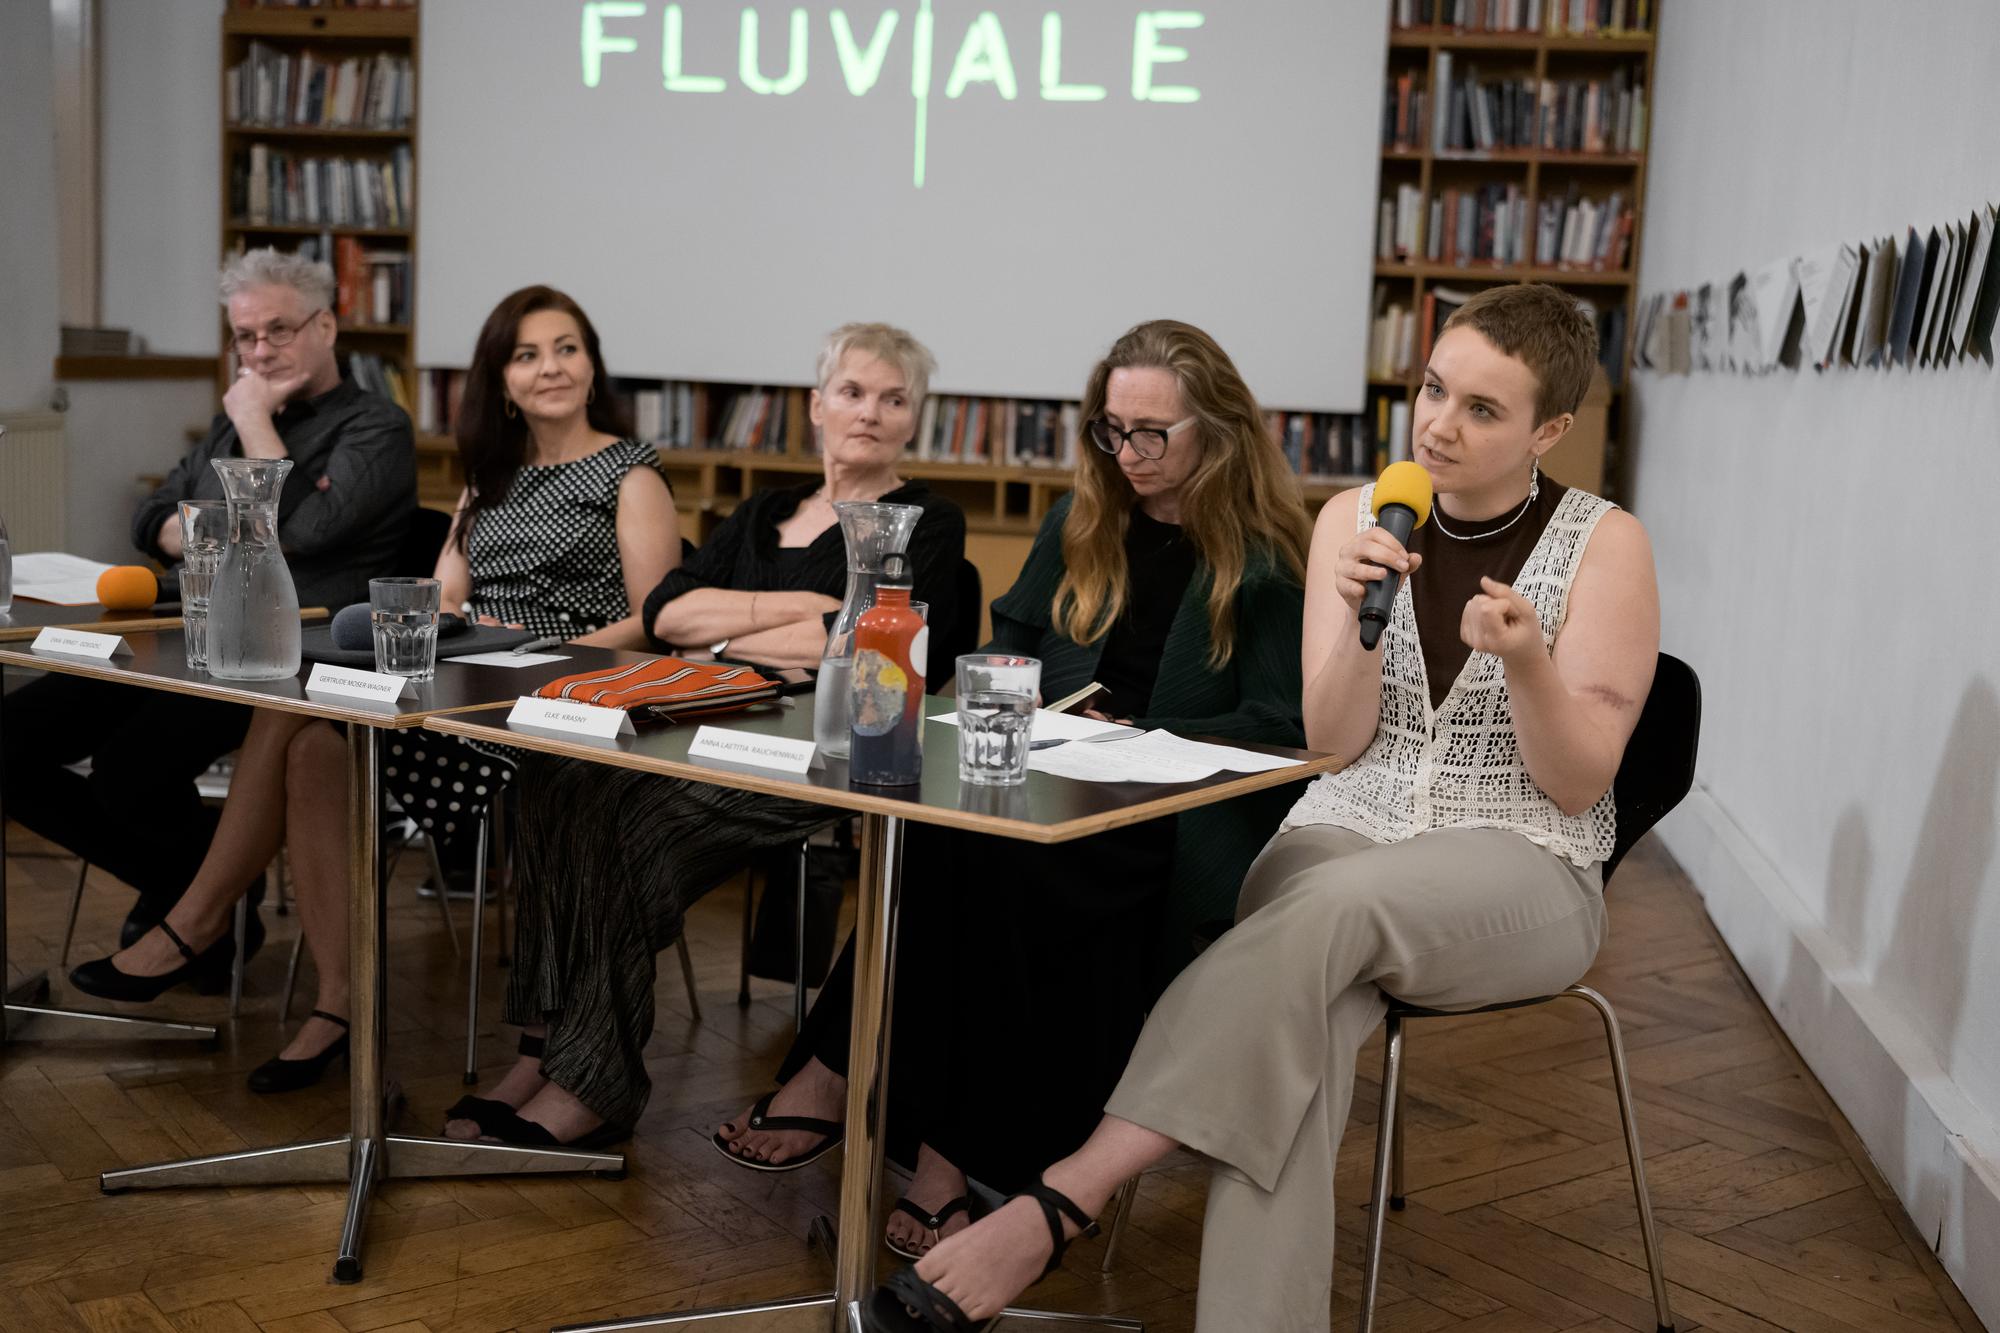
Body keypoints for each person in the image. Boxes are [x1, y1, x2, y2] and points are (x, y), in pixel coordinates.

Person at [860, 284, 1662, 1333]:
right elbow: (1331, 742)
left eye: (1481, 409)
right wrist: (1361, 618)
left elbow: (1577, 783)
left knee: (1325, 918)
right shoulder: (1352, 519)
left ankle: (1062, 1197)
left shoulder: (1605, 543)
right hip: (1339, 830)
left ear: (1547, 430)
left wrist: (1525, 664)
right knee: (1303, 1014)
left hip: (1519, 860)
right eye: (1433, 390)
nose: (1436, 425)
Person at [718, 319, 1315, 1263]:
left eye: (1151, 433)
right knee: (936, 833)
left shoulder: (1266, 555)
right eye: (1111, 429)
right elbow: (1009, 649)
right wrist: (1015, 695)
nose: (1126, 454)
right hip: (1052, 776)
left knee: (1005, 865)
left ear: (1219, 428)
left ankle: (936, 1144)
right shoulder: (1082, 518)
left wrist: (1146, 733)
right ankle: (858, 1087)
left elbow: (1283, 720)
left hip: (1170, 813)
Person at [69, 285, 679, 1095]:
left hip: (562, 705)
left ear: (593, 365)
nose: (550, 368)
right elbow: (445, 599)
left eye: (567, 349)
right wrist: (468, 631)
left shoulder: (629, 474)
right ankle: (339, 1003)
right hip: (465, 688)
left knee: (301, 715)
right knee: (311, 739)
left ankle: (199, 920)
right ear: (501, 380)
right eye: (527, 354)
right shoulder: (489, 478)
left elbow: (656, 620)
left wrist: (541, 648)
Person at [441, 322, 966, 1150]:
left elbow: (861, 641)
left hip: (814, 753)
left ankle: (592, 1081)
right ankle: (542, 1050)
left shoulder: (920, 524)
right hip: (702, 722)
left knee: (626, 822)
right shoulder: (763, 511)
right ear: (817, 405)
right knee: (560, 780)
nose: (870, 412)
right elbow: (665, 612)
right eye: (853, 392)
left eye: (894, 399)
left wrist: (727, 632)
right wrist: (796, 615)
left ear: (913, 419)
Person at [1, 247, 414, 969]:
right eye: (245, 336)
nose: (260, 351)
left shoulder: (375, 427)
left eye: (278, 330)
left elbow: (303, 532)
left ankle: (192, 910)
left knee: (129, 769)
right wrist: (214, 523)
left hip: (287, 659)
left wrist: (253, 423)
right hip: (184, 638)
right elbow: (150, 515)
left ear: (325, 327)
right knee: (8, 740)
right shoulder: (227, 426)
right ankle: (195, 893)